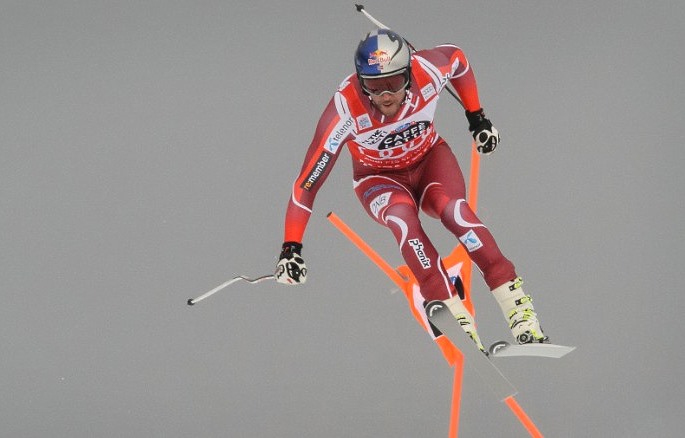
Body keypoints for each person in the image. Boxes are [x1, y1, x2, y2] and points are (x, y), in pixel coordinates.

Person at [274, 29, 548, 350]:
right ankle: (452, 312)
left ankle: (519, 311)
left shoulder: (427, 70)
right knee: (403, 219)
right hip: (379, 179)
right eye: (374, 86)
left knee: (455, 212)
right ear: (361, 81)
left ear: (407, 71)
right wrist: (291, 247)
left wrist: (477, 118)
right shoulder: (345, 109)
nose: (385, 95)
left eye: (393, 83)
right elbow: (308, 182)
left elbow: (457, 58)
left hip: (430, 160)